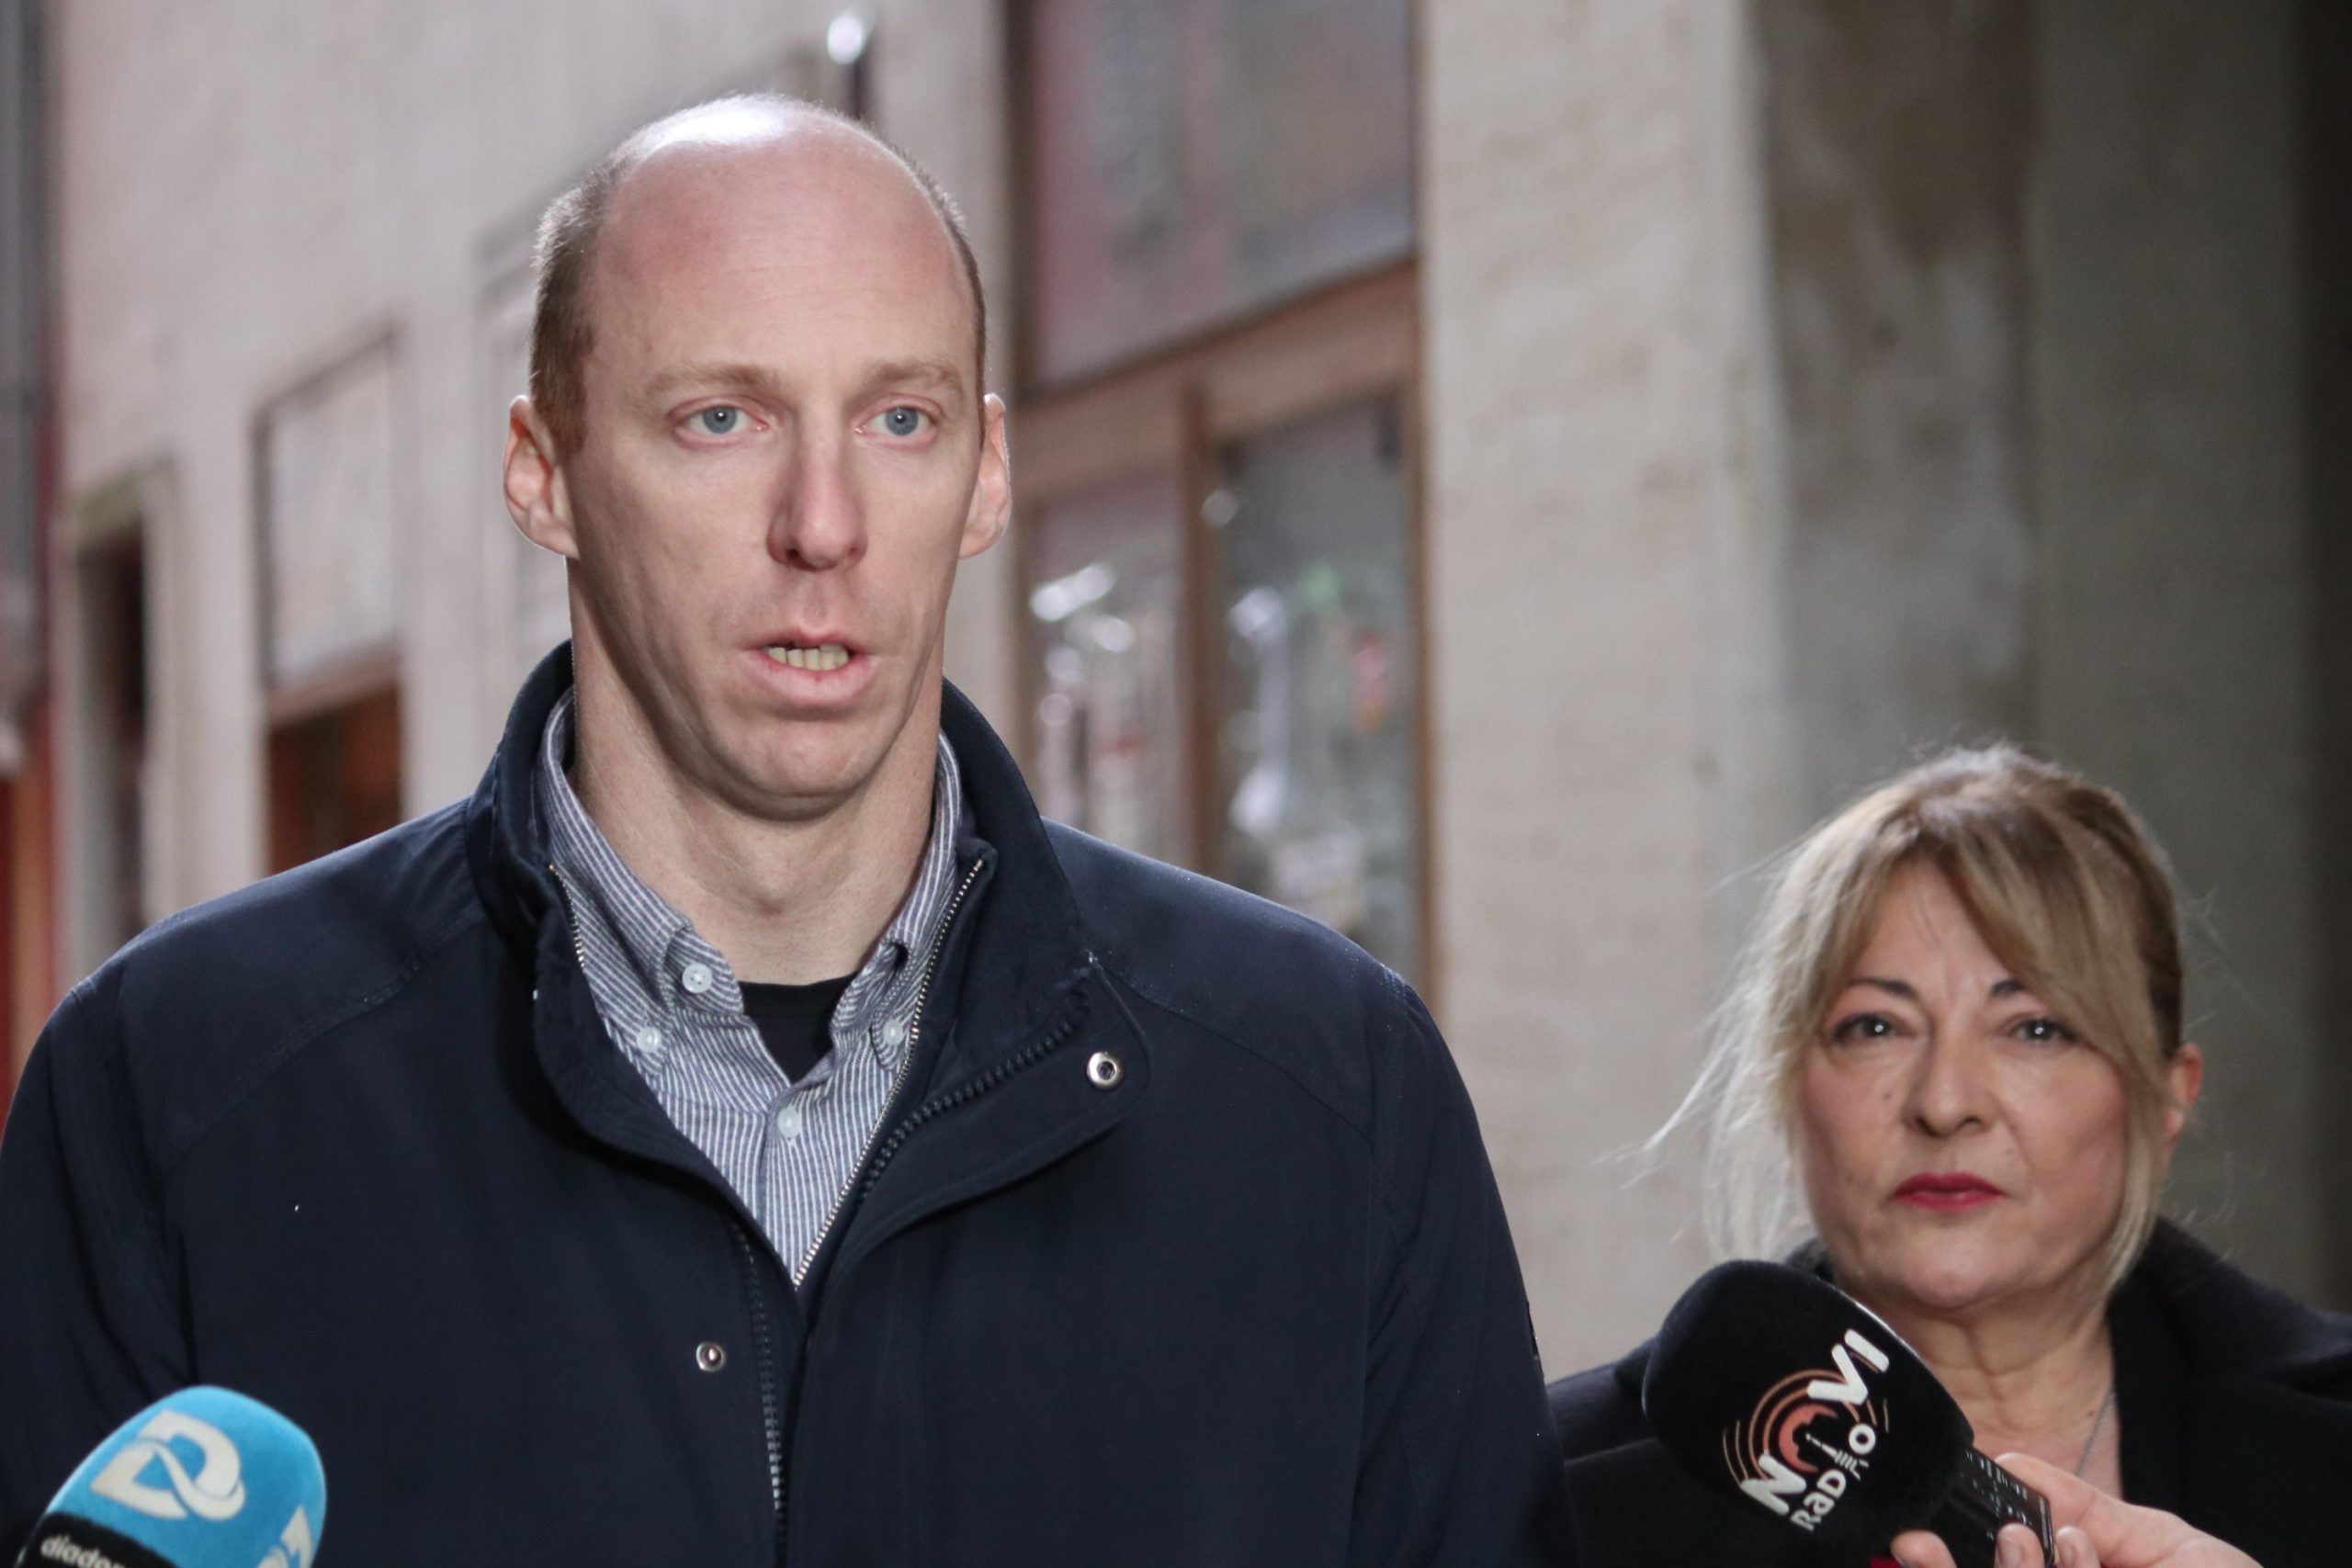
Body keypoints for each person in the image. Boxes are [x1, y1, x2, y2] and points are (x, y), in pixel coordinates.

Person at [0, 96, 1570, 1565]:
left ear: (986, 474)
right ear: (544, 471)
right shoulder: (175, 1091)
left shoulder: (1330, 1094)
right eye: (720, 418)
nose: (824, 524)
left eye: (899, 418)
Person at [1548, 747, 2352, 1568]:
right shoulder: (1553, 1487)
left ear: (2166, 1097)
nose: (1944, 1101)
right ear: (1789, 1093)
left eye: (2035, 1028)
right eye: (1874, 1027)